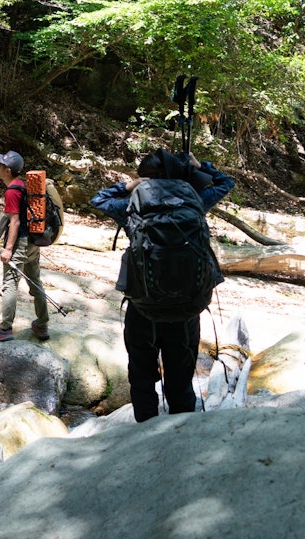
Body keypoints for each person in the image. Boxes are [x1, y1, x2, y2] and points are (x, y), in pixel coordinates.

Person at [91, 149, 235, 422]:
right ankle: (181, 436)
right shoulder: (195, 199)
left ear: (144, 177)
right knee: (181, 379)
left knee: (142, 378)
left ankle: (145, 434)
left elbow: (99, 199)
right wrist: (199, 165)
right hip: (186, 309)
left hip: (143, 307)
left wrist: (129, 185)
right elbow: (226, 182)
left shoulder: (133, 203)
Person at [0, 150, 51, 342]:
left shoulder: (12, 191)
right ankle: (42, 324)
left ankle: (5, 328)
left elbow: (14, 222)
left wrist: (8, 249)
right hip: (33, 242)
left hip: (19, 242)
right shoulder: (23, 186)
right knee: (35, 282)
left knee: (10, 284)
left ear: (7, 170)